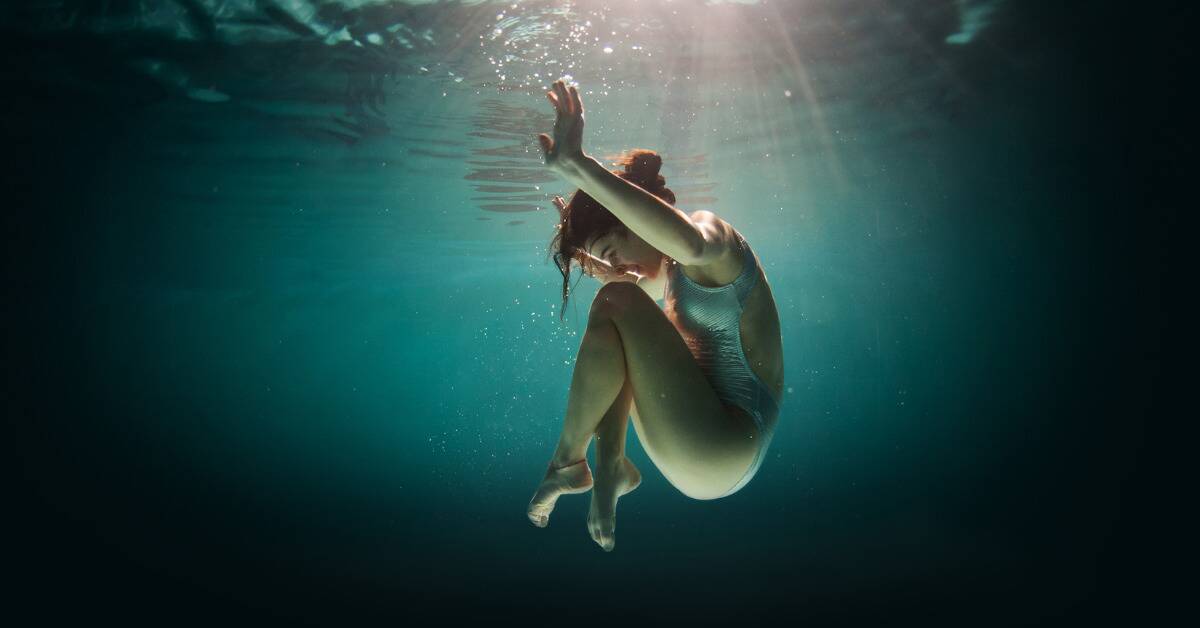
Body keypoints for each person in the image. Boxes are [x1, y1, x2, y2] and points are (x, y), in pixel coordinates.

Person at [526, 79, 784, 551]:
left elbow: (686, 244)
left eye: (612, 249)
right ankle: (612, 469)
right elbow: (638, 284)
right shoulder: (664, 280)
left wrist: (579, 167)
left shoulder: (714, 238)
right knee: (620, 312)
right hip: (706, 454)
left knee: (617, 302)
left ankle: (570, 464)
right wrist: (603, 265)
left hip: (725, 444)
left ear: (636, 217)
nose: (617, 267)